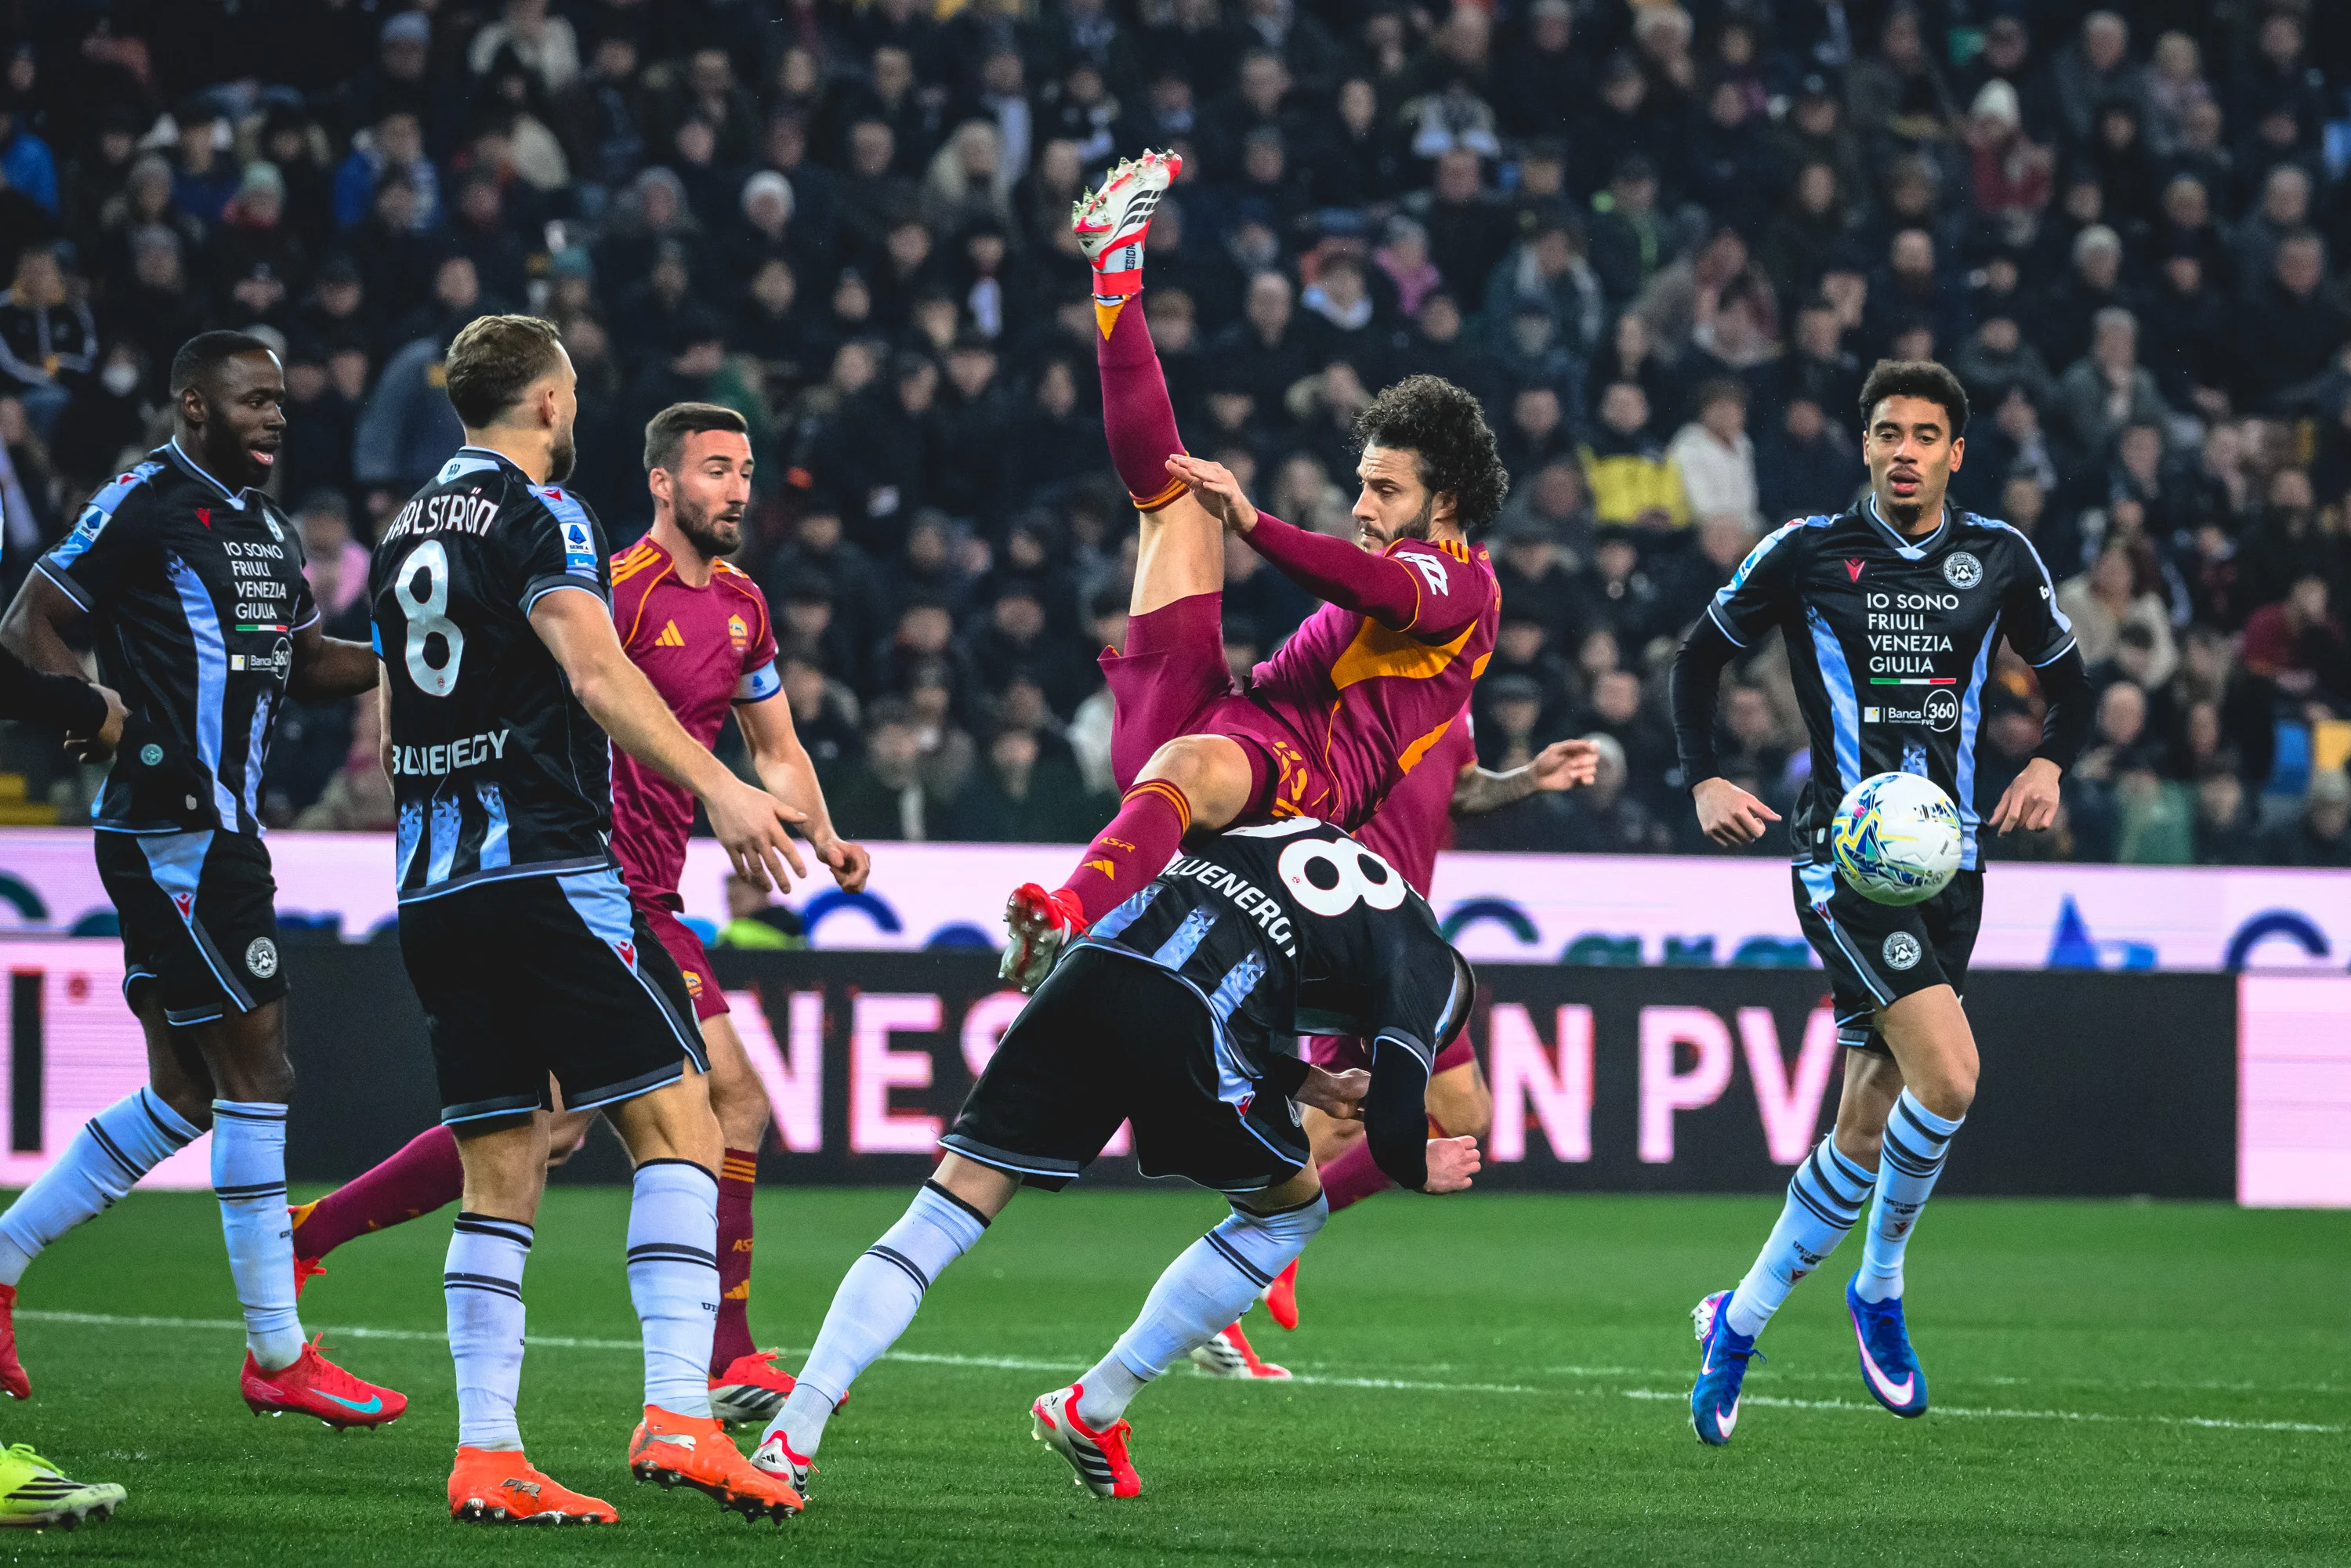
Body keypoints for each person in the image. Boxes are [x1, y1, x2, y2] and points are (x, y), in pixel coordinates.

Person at [288, 401, 872, 1430]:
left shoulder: (742, 605)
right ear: (662, 481)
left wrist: (820, 833)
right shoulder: (612, 586)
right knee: (727, 1097)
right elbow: (578, 687)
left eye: (745, 472)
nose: (738, 489)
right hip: (591, 879)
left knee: (546, 1131)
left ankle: (311, 1233)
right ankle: (714, 1367)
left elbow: (775, 748)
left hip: (654, 890)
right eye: (715, 470)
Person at [369, 315, 805, 1524]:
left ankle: (489, 1452)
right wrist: (722, 787)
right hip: (547, 868)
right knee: (685, 1116)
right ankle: (679, 1419)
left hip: (433, 880)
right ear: (551, 404)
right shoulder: (547, 517)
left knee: (500, 1165)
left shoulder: (402, 529)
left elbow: (398, 699)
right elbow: (597, 672)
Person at [744, 817, 1484, 1499]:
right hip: (1191, 1017)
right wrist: (1418, 1165)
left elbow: (1231, 966)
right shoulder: (1431, 967)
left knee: (948, 1204)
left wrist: (1315, 1079)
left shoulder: (1302, 846)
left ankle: (790, 1436)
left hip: (1092, 966)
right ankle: (1093, 1406)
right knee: (1289, 1213)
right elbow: (1393, 1119)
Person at [1668, 359, 2093, 1444]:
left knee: (1867, 1118)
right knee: (1951, 1075)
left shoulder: (2000, 557)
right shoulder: (1808, 553)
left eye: (1926, 435)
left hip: (1950, 862)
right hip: (1844, 857)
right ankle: (1883, 1285)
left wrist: (2051, 763)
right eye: (1888, 432)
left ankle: (1741, 1314)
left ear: (1957, 452)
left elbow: (2068, 674)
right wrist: (1706, 775)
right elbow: (1698, 658)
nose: (1905, 450)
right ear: (1866, 446)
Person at [0, 331, 401, 1424]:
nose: (275, 416)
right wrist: (85, 707)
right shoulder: (147, 497)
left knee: (188, 1093)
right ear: (192, 407)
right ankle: (276, 1350)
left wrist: (415, 656)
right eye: (252, 400)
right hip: (175, 828)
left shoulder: (269, 529)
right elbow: (28, 620)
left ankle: (0, 1262)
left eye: (281, 400)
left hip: (222, 833)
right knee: (260, 1075)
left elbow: (310, 664)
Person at [999, 151, 1503, 992]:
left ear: (1444, 500)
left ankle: (1065, 916)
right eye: (1361, 486)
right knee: (1175, 493)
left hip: (1302, 784)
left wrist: (1256, 522)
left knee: (1191, 761)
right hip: (1223, 716)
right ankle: (1116, 273)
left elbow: (1371, 585)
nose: (1362, 507)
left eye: (1385, 491)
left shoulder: (1465, 583)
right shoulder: (1403, 556)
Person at [1197, 719, 1599, 1374]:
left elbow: (1460, 789)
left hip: (1393, 934)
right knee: (1454, 1117)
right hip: (1357, 933)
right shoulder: (1352, 686)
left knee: (1323, 1137)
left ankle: (1223, 1297)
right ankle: (1246, 1278)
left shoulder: (1452, 695)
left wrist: (1528, 779)